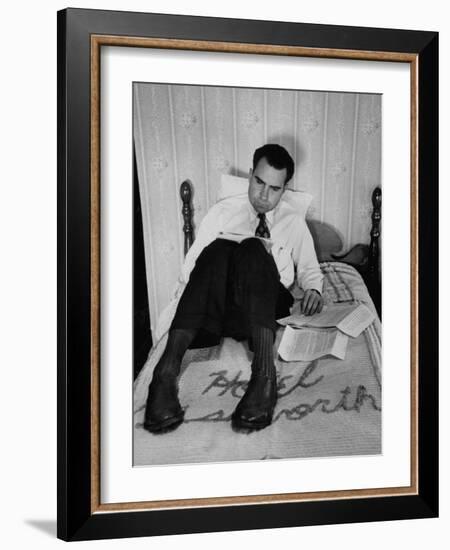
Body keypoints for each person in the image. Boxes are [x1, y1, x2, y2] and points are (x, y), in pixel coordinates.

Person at [144, 144, 324, 435]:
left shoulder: (294, 222)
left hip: (266, 307)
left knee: (254, 247)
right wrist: (179, 309)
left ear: (284, 189)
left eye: (274, 189)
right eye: (259, 183)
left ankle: (264, 375)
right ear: (251, 175)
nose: (264, 195)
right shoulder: (222, 212)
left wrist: (314, 290)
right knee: (217, 249)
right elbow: (193, 268)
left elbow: (309, 270)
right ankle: (165, 372)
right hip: (220, 307)